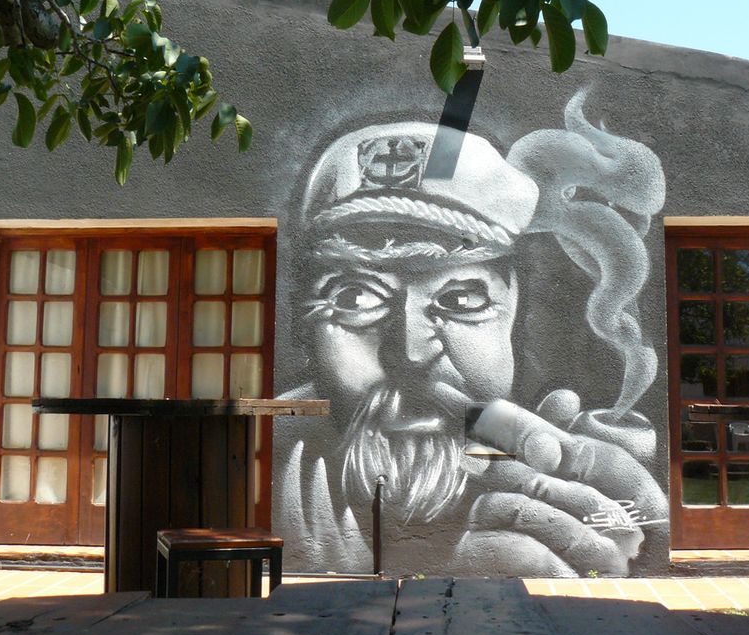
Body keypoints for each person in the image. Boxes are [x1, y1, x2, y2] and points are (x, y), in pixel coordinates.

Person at [277, 91, 668, 577]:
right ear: (306, 324)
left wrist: (640, 543)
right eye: (355, 298)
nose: (410, 353)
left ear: (514, 311)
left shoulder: (526, 454)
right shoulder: (264, 456)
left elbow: (626, 544)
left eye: (462, 300)